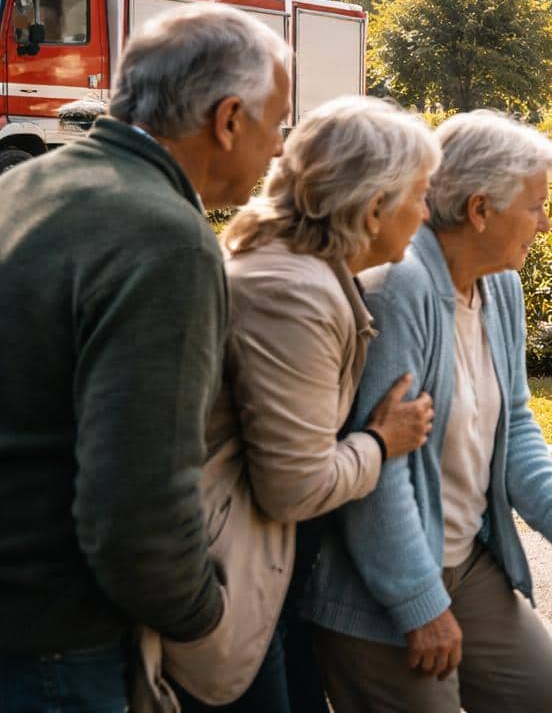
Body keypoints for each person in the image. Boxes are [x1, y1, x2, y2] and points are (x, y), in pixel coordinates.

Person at [0, 2, 289, 710]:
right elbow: (136, 507)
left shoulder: (21, 186)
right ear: (227, 121)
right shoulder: (167, 239)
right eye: (278, 124)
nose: (281, 148)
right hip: (57, 643)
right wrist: (202, 616)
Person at [300, 110, 552, 713]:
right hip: (378, 582)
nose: (546, 223)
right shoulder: (401, 288)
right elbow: (379, 474)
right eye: (535, 207)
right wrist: (422, 606)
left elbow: (515, 422)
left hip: (464, 558)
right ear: (480, 209)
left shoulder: (500, 285)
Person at [173, 96, 442, 712]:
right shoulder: (294, 294)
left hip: (256, 576)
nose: (426, 213)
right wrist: (381, 441)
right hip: (230, 583)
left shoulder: (299, 269)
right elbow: (292, 487)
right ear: (375, 207)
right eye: (420, 195)